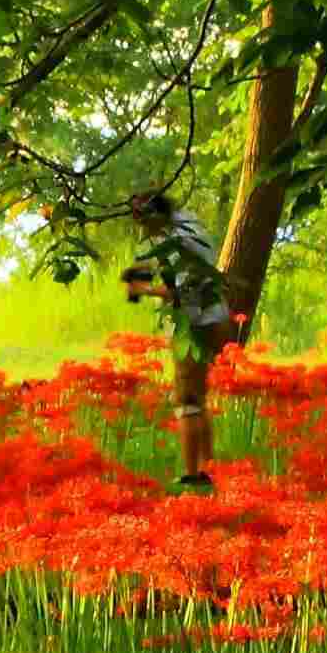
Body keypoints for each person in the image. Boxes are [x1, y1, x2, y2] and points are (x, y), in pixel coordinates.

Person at [115, 195, 238, 488]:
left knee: (187, 400)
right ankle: (209, 469)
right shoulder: (190, 222)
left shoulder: (178, 240)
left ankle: (192, 475)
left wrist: (143, 289)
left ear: (156, 215)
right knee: (200, 397)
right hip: (217, 317)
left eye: (145, 222)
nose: (145, 231)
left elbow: (184, 292)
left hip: (194, 325)